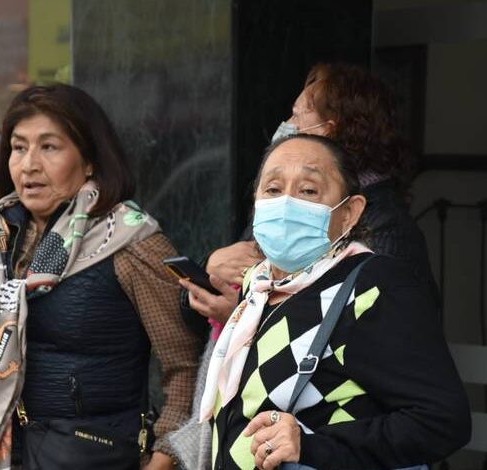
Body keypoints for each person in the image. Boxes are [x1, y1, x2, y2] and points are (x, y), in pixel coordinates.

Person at [0, 84, 201, 470]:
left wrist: (164, 458)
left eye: (49, 147)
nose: (29, 165)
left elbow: (186, 365)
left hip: (99, 456)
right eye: (18, 147)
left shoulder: (130, 242)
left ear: (89, 160)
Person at [200, 134, 470, 470]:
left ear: (349, 213)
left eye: (308, 191)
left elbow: (442, 421)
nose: (286, 203)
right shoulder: (258, 287)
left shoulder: (373, 287)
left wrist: (314, 446)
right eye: (273, 188)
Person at [184, 63, 436, 331]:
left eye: (297, 115)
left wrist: (245, 315)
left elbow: (363, 332)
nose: (287, 126)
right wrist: (209, 269)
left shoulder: (386, 227)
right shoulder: (278, 206)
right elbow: (195, 315)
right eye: (273, 189)